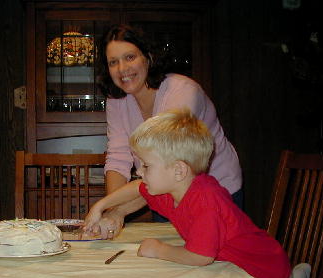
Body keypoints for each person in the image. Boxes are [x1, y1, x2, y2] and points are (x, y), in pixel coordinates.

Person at [84, 109, 290, 278]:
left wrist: (159, 250)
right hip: (231, 270)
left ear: (178, 170)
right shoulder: (173, 190)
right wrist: (100, 206)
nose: (139, 172)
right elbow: (136, 188)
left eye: (146, 165)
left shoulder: (206, 200)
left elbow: (201, 257)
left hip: (265, 275)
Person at [98, 24, 242, 233]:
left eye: (130, 57)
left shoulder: (183, 92)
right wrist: (113, 208)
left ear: (148, 57)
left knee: (214, 259)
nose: (122, 69)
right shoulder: (116, 100)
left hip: (216, 190)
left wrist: (118, 212)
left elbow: (169, 165)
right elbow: (118, 157)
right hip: (164, 192)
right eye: (113, 62)